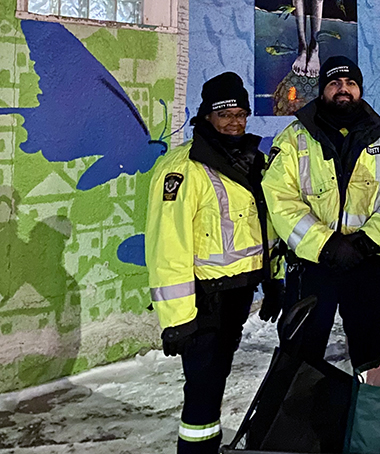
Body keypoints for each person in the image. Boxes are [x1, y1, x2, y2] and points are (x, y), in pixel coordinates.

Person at [146, 72, 281, 454]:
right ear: (206, 116)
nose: (235, 122)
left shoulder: (253, 160)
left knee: (217, 378)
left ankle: (207, 444)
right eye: (225, 114)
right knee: (202, 393)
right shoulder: (183, 169)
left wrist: (272, 280)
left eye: (241, 113)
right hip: (203, 302)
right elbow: (166, 246)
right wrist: (176, 319)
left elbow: (267, 226)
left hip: (238, 293)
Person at [262, 56, 380, 368]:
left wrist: (367, 242)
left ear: (360, 90)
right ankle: (301, 416)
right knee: (299, 356)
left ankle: (364, 415)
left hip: (367, 263)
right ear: (322, 91)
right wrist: (326, 245)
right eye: (334, 83)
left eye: (351, 83)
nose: (343, 89)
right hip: (312, 264)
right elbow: (280, 199)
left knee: (370, 355)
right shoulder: (294, 138)